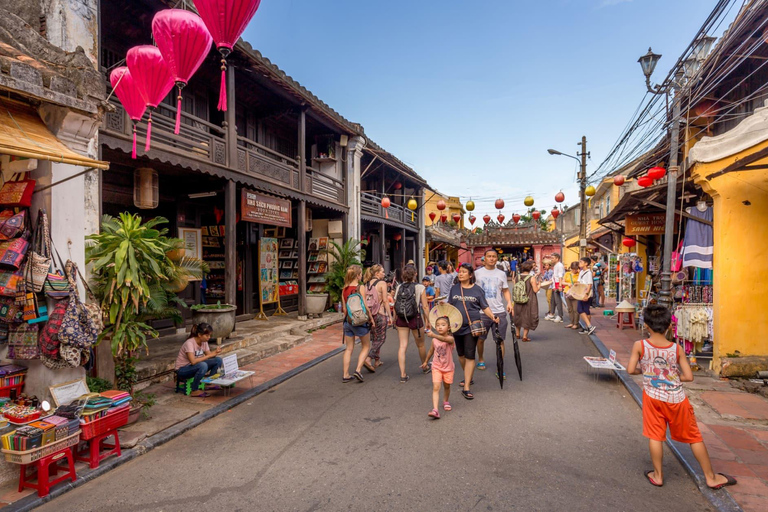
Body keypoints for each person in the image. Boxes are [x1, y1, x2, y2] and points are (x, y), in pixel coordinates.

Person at [627, 305, 737, 490]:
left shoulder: (640, 346)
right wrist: (671, 376)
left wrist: (646, 371)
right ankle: (711, 477)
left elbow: (630, 370)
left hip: (653, 397)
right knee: (694, 436)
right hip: (677, 399)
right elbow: (688, 376)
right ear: (670, 326)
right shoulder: (676, 348)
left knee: (655, 435)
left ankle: (658, 475)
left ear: (646, 326)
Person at [448, 263, 497, 400]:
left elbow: (484, 306)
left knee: (470, 355)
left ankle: (467, 386)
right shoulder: (454, 289)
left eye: (464, 272)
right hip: (456, 326)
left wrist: (493, 317)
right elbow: (450, 306)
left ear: (470, 275)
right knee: (461, 355)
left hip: (471, 326)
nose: (461, 274)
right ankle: (468, 376)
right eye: (460, 272)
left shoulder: (477, 290)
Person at [474, 249, 513, 374]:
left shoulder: (501, 274)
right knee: (480, 339)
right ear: (484, 258)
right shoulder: (477, 273)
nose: (491, 258)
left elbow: (505, 290)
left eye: (494, 256)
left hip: (499, 311)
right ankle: (480, 358)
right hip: (481, 312)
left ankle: (500, 365)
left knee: (500, 340)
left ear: (497, 258)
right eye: (489, 256)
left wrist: (509, 302)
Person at [394, 265, 431, 383]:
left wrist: (395, 319)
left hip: (401, 318)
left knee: (402, 346)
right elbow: (425, 306)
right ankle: (424, 367)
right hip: (415, 317)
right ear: (415, 274)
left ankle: (402, 374)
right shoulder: (420, 287)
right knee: (420, 345)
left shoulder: (399, 286)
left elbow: (396, 304)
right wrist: (428, 321)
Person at [341, 265, 376, 383]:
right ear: (357, 275)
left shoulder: (344, 289)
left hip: (348, 321)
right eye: (360, 274)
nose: (361, 275)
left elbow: (345, 310)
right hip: (360, 321)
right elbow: (365, 305)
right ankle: (358, 370)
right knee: (365, 346)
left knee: (349, 348)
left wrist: (347, 319)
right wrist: (371, 318)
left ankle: (345, 374)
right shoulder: (360, 287)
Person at [175, 323, 223, 397]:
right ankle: (194, 390)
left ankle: (209, 383)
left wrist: (215, 353)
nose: (209, 337)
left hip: (196, 366)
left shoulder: (204, 342)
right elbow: (193, 361)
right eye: (207, 335)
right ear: (200, 335)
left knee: (218, 360)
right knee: (203, 365)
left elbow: (209, 356)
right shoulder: (189, 343)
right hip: (183, 369)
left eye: (210, 335)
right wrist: (209, 355)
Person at [421, 316, 455, 419]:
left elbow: (445, 338)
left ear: (448, 327)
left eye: (443, 325)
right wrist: (426, 361)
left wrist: (433, 335)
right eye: (438, 325)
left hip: (448, 368)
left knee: (447, 386)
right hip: (436, 367)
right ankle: (435, 410)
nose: (440, 327)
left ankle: (445, 401)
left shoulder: (451, 339)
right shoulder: (434, 340)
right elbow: (431, 351)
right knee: (436, 387)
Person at [363, 264, 392, 371]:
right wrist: (390, 315)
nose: (384, 274)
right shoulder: (382, 283)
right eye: (382, 272)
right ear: (377, 273)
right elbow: (385, 300)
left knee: (375, 337)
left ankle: (377, 360)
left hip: (369, 315)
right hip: (380, 313)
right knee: (381, 338)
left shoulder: (366, 284)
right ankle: (368, 358)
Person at [513, 260, 540, 341]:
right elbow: (535, 290)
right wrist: (539, 285)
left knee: (518, 316)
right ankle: (525, 336)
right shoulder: (532, 278)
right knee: (527, 317)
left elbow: (515, 288)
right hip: (529, 300)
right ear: (530, 268)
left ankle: (517, 334)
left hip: (518, 300)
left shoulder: (516, 277)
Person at [577, 257, 596, 335]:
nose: (579, 263)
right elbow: (579, 281)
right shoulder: (581, 272)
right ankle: (587, 328)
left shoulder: (588, 273)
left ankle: (589, 326)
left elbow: (590, 284)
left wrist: (586, 294)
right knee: (586, 310)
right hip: (581, 293)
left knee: (580, 309)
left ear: (586, 264)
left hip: (586, 294)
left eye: (581, 262)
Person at [545, 253, 565, 323]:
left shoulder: (559, 265)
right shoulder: (556, 265)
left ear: (557, 258)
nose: (551, 259)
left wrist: (560, 285)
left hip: (557, 284)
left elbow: (560, 276)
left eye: (553, 258)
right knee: (552, 300)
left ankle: (560, 316)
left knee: (558, 300)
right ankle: (552, 313)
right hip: (554, 284)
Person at [563, 262, 581, 329]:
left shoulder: (579, 275)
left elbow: (581, 283)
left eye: (576, 269)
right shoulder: (567, 274)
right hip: (567, 292)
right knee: (570, 308)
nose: (574, 271)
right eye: (573, 269)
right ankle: (571, 322)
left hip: (576, 293)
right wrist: (568, 284)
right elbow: (562, 282)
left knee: (575, 309)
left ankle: (576, 323)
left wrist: (577, 283)